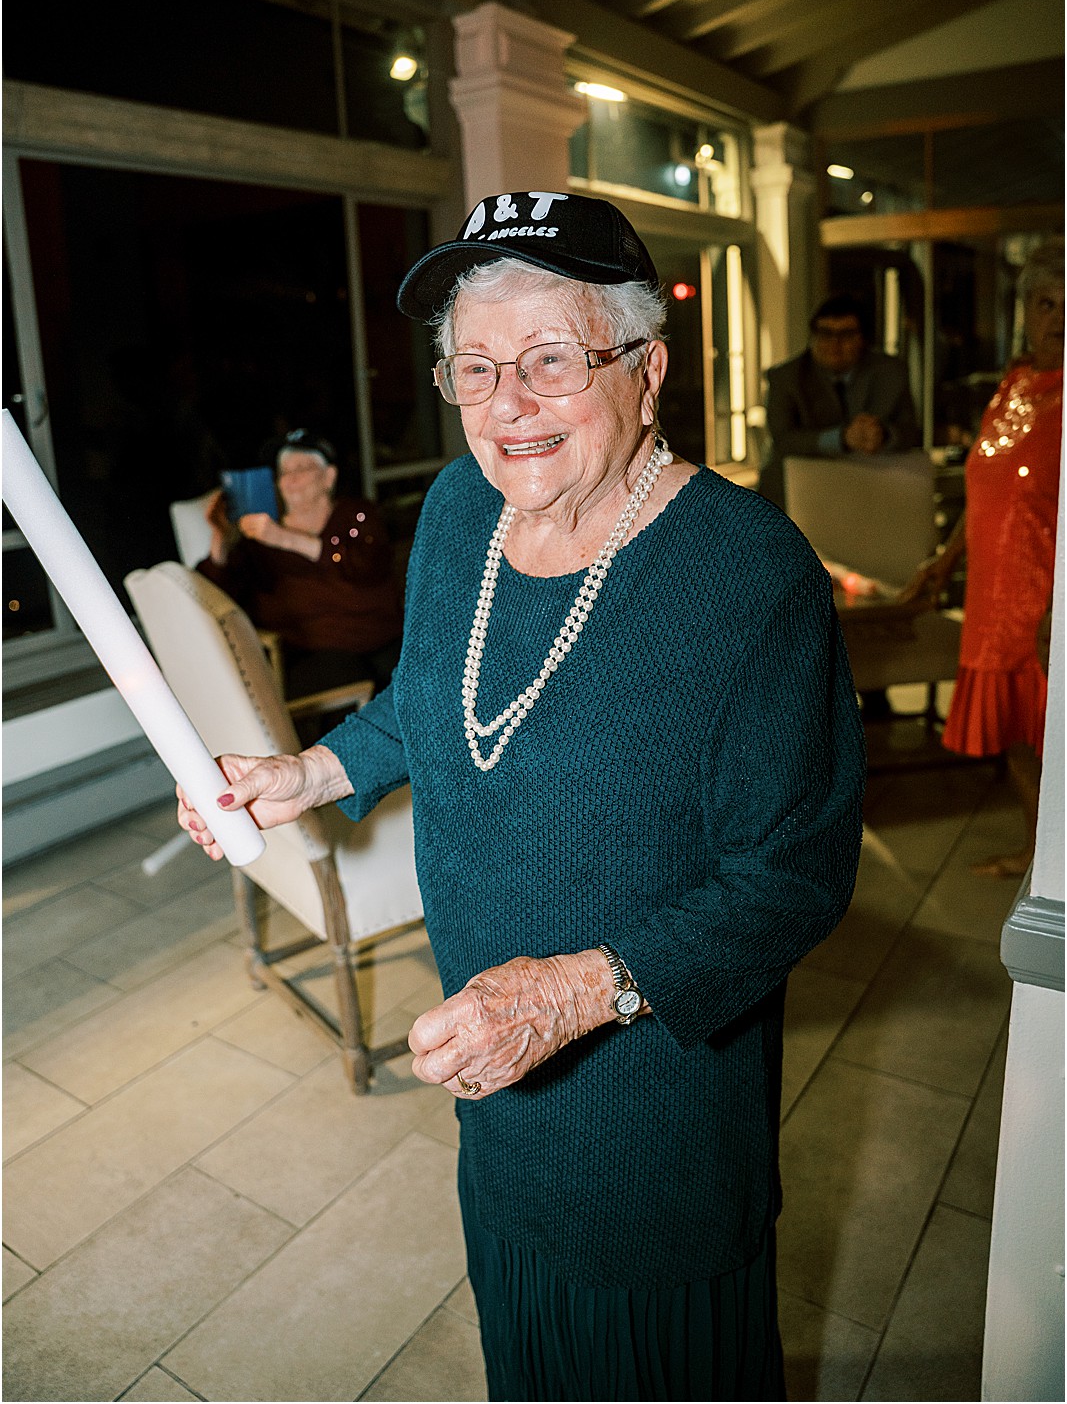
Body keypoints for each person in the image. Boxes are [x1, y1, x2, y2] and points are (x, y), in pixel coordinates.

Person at [177, 192, 865, 1401]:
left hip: (652, 1110)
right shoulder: (456, 513)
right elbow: (422, 699)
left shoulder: (750, 573)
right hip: (494, 1080)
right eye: (474, 366)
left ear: (646, 369)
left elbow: (792, 876)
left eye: (551, 358)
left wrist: (570, 991)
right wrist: (310, 771)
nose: (505, 404)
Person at [942, 240, 1063, 876]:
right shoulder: (1012, 385)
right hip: (993, 594)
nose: (1059, 317)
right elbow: (984, 483)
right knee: (1019, 738)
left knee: (1056, 741)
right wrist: (945, 558)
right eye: (1047, 303)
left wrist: (1056, 613)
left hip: (1044, 598)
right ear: (1026, 310)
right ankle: (1040, 855)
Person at [198, 428, 402, 698]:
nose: (290, 478)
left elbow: (366, 566)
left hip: (386, 642)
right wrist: (220, 537)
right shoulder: (260, 539)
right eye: (283, 471)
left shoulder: (356, 515)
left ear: (329, 477)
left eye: (302, 468)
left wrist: (285, 539)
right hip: (315, 657)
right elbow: (214, 595)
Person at [758, 293, 919, 508]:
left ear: (862, 338)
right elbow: (784, 439)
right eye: (825, 333)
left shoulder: (890, 372)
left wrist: (883, 435)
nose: (835, 343)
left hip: (870, 489)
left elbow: (912, 432)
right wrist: (841, 439)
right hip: (795, 494)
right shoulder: (786, 377)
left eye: (846, 334)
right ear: (812, 336)